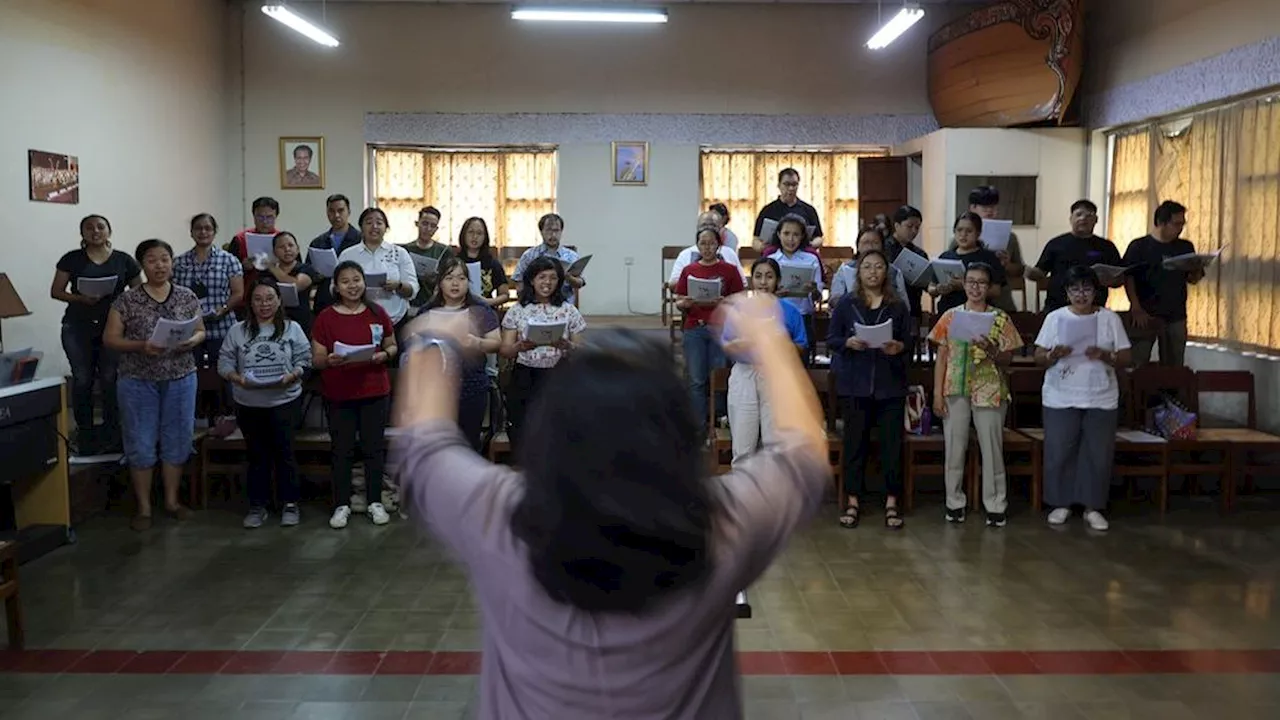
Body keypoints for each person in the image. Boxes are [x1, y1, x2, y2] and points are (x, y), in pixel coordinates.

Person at [389, 292, 828, 719]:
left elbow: (423, 450)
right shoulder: (723, 525)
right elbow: (803, 455)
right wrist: (769, 337)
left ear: (549, 437)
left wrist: (435, 342)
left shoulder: (500, 518)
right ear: (677, 439)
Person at [103, 239, 205, 532]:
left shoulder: (186, 296)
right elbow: (111, 339)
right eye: (152, 260)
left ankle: (172, 502)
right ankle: (144, 508)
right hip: (137, 380)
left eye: (164, 259)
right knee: (140, 442)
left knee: (177, 439)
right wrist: (140, 345)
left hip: (181, 377)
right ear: (142, 265)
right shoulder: (126, 300)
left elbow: (200, 331)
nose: (160, 265)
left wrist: (192, 341)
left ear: (172, 263)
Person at [1034, 266, 1131, 532]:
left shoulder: (1109, 319)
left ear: (1095, 292)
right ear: (1066, 293)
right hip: (1060, 393)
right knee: (1060, 449)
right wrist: (1053, 354)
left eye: (1086, 289)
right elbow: (1038, 356)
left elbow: (1125, 356)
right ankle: (1060, 503)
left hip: (1101, 394)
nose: (1081, 295)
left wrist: (1105, 355)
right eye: (1074, 289)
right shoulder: (1055, 318)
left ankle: (1093, 507)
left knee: (1097, 453)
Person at [928, 262, 1023, 527]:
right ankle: (954, 502)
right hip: (955, 387)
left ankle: (995, 504)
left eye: (981, 283)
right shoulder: (950, 316)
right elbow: (941, 356)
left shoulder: (1001, 318)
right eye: (970, 281)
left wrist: (992, 349)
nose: (975, 287)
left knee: (991, 448)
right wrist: (937, 394)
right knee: (954, 447)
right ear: (964, 283)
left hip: (989, 389)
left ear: (990, 287)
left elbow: (1009, 358)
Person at [311, 262, 399, 529]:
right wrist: (329, 360)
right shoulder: (325, 317)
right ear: (336, 287)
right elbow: (316, 358)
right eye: (346, 281)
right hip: (339, 393)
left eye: (357, 280)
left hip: (374, 390)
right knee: (342, 450)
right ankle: (342, 504)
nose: (352, 285)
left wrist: (384, 355)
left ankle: (374, 501)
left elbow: (392, 345)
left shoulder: (377, 312)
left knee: (373, 449)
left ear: (364, 282)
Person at [217, 281, 312, 529]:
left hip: (284, 400)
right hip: (248, 402)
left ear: (279, 300)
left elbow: (305, 357)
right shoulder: (237, 330)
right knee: (256, 455)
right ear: (250, 303)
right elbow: (224, 360)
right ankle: (258, 506)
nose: (264, 304)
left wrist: (294, 374)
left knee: (285, 453)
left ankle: (290, 503)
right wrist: (236, 378)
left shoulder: (292, 328)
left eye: (270, 298)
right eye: (258, 299)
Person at [828, 249, 911, 530]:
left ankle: (891, 501)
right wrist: (847, 343)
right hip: (855, 384)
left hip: (890, 385)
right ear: (859, 272)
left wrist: (898, 347)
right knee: (855, 445)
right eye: (867, 267)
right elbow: (832, 339)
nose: (873, 272)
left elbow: (908, 342)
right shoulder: (847, 304)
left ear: (886, 272)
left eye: (878, 267)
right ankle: (852, 500)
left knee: (891, 445)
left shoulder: (897, 306)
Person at [50, 214, 142, 454]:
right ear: (82, 234)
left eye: (100, 227)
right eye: (89, 228)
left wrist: (123, 302)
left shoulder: (124, 260)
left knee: (111, 378)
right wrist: (80, 298)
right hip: (77, 327)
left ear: (109, 231)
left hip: (113, 327)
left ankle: (113, 431)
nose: (95, 231)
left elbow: (139, 291)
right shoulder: (71, 259)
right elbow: (56, 291)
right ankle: (86, 433)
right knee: (82, 379)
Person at [722, 258, 807, 464]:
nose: (763, 282)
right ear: (752, 281)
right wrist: (743, 341)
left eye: (769, 277)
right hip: (745, 373)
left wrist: (780, 341)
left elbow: (800, 347)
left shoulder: (790, 311)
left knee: (775, 445)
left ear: (777, 281)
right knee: (743, 445)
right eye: (758, 276)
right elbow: (727, 346)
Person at [499, 256, 587, 451]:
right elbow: (505, 350)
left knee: (559, 426)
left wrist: (566, 345)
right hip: (525, 373)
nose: (547, 283)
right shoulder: (518, 310)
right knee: (524, 424)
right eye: (542, 277)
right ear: (532, 280)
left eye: (553, 278)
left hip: (558, 373)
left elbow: (581, 351)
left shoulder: (568, 311)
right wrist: (520, 347)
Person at [420, 256, 502, 451]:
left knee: (469, 443)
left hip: (472, 385)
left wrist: (477, 342)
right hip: (437, 388)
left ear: (468, 282)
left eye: (461, 278)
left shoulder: (480, 309)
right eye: (449, 278)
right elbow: (414, 344)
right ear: (440, 282)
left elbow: (496, 343)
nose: (455, 283)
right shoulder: (428, 310)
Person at [675, 226, 746, 431]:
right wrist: (685, 303)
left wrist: (725, 301)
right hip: (695, 327)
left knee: (718, 376)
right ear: (697, 245)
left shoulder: (729, 270)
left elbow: (739, 300)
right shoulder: (689, 270)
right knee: (696, 379)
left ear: (719, 245)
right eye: (703, 243)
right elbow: (679, 300)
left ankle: (719, 420)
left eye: (711, 243)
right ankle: (698, 424)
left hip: (720, 328)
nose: (707, 247)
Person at [1123, 200, 1203, 367]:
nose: (1180, 228)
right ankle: (1138, 393)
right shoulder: (1139, 246)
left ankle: (1170, 393)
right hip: (1145, 313)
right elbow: (1128, 277)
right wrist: (1135, 307)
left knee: (1174, 364)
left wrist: (1196, 270)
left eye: (1183, 224)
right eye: (1176, 224)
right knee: (1138, 361)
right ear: (1161, 222)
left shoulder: (1185, 246)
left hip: (1176, 313)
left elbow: (1192, 279)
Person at [1025, 200, 1125, 312]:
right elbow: (1040, 272)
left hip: (1095, 308)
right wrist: (1029, 272)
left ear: (1096, 220)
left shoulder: (1107, 247)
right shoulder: (1056, 244)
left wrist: (1110, 281)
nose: (1083, 218)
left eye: (1088, 215)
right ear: (1071, 219)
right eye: (1078, 214)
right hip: (1057, 307)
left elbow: (1120, 279)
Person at [173, 213, 244, 367]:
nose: (203, 232)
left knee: (225, 373)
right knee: (191, 372)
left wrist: (223, 309)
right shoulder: (179, 262)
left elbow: (238, 293)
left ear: (214, 232)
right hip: (190, 329)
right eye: (198, 228)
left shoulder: (229, 260)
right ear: (191, 232)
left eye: (208, 228)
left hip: (222, 327)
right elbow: (173, 294)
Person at [336, 208, 418, 329]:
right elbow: (334, 286)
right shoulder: (347, 255)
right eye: (369, 223)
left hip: (395, 319)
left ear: (386, 228)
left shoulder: (400, 253)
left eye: (379, 223)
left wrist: (398, 285)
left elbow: (413, 289)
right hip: (356, 319)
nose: (374, 226)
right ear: (361, 227)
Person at [951, 186, 1025, 311]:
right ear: (972, 208)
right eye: (985, 207)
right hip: (967, 301)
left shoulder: (1009, 237)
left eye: (994, 207)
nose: (990, 211)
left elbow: (1020, 270)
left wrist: (1006, 265)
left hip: (1000, 301)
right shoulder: (959, 239)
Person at [929, 212, 1008, 316]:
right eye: (959, 230)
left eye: (969, 231)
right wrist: (938, 289)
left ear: (978, 233)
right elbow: (931, 288)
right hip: (948, 312)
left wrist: (965, 286)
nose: (963, 235)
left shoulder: (989, 257)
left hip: (980, 312)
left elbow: (996, 291)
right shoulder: (945, 257)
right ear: (954, 232)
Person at [767, 214, 823, 353]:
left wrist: (813, 290)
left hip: (803, 317)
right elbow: (762, 294)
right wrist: (774, 294)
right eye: (786, 233)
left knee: (801, 366)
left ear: (802, 236)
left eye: (796, 234)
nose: (790, 239)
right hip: (776, 317)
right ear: (779, 234)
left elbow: (818, 297)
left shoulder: (811, 260)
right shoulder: (771, 260)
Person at [513, 213, 586, 305]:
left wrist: (568, 278)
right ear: (541, 231)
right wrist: (526, 302)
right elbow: (518, 281)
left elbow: (580, 283)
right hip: (535, 304)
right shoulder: (529, 255)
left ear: (561, 231)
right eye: (548, 230)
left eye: (556, 230)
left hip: (564, 305)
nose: (553, 235)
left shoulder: (571, 256)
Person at [307, 194, 361, 315]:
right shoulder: (318, 242)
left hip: (353, 299)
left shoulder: (360, 239)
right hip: (325, 300)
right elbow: (308, 271)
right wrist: (317, 275)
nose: (336, 215)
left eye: (341, 210)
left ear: (349, 212)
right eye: (331, 211)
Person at [830, 228, 909, 307]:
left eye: (875, 243)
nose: (870, 246)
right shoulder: (845, 269)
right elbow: (835, 298)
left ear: (882, 246)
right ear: (858, 246)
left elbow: (904, 303)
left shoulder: (894, 271)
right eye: (866, 242)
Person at [261, 231, 318, 336]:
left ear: (297, 249)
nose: (287, 249)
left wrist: (272, 267)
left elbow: (296, 285)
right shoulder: (266, 274)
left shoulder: (306, 269)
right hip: (273, 322)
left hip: (301, 323)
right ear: (274, 252)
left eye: (291, 245)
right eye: (281, 247)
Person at [752, 168, 824, 249]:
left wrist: (811, 245)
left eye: (794, 184)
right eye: (786, 184)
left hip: (802, 256)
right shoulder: (767, 210)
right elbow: (755, 240)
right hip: (774, 256)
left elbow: (819, 238)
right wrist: (762, 247)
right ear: (779, 185)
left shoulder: (809, 210)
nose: (791, 188)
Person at [668, 211, 745, 285]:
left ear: (721, 228)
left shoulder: (729, 253)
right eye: (704, 225)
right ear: (697, 228)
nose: (708, 229)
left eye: (713, 226)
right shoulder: (685, 254)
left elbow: (742, 283)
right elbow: (673, 284)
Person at [228, 197, 282, 298]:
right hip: (245, 295)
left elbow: (295, 267)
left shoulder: (284, 240)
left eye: (269, 217)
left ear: (276, 217)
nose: (265, 222)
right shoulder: (239, 239)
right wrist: (242, 267)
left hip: (276, 294)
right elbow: (228, 271)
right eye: (260, 217)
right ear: (253, 216)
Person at [405, 206, 454, 313]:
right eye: (425, 224)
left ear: (436, 229)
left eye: (433, 226)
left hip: (435, 304)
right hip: (409, 303)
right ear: (417, 223)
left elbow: (450, 278)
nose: (428, 229)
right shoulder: (405, 250)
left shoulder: (444, 251)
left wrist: (437, 278)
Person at [454, 217, 511, 308]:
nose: (475, 237)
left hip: (484, 309)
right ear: (463, 235)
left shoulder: (492, 263)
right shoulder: (454, 262)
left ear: (485, 237)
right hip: (458, 310)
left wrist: (488, 302)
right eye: (471, 232)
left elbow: (505, 295)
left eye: (479, 233)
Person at [885, 205, 928, 324]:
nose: (914, 231)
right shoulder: (883, 249)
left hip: (913, 307)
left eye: (917, 227)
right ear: (897, 225)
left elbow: (927, 283)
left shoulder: (920, 254)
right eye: (909, 226)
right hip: (887, 307)